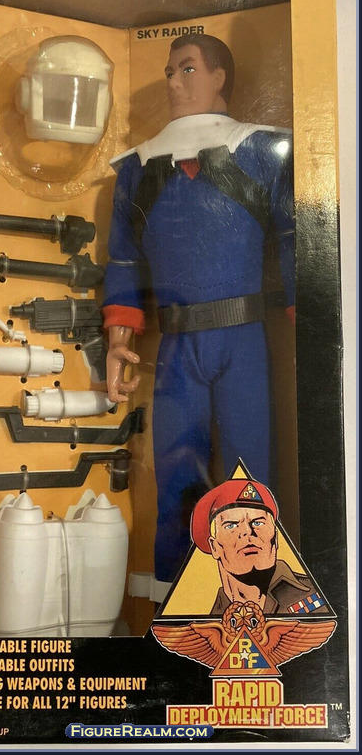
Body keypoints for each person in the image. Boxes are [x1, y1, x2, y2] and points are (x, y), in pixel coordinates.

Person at [102, 33, 295, 590]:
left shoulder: (260, 152)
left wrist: (309, 320)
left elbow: (293, 242)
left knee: (249, 477)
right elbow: (124, 259)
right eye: (169, 71)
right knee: (176, 475)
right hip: (177, 345)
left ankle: (254, 597)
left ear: (219, 77)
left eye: (187, 68)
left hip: (243, 339)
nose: (172, 81)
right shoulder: (138, 169)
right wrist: (119, 338)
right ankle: (176, 598)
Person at [191, 477, 328, 616]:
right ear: (214, 547)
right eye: (231, 525)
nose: (247, 531)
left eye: (258, 522)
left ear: (275, 537)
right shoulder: (205, 616)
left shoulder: (317, 595)